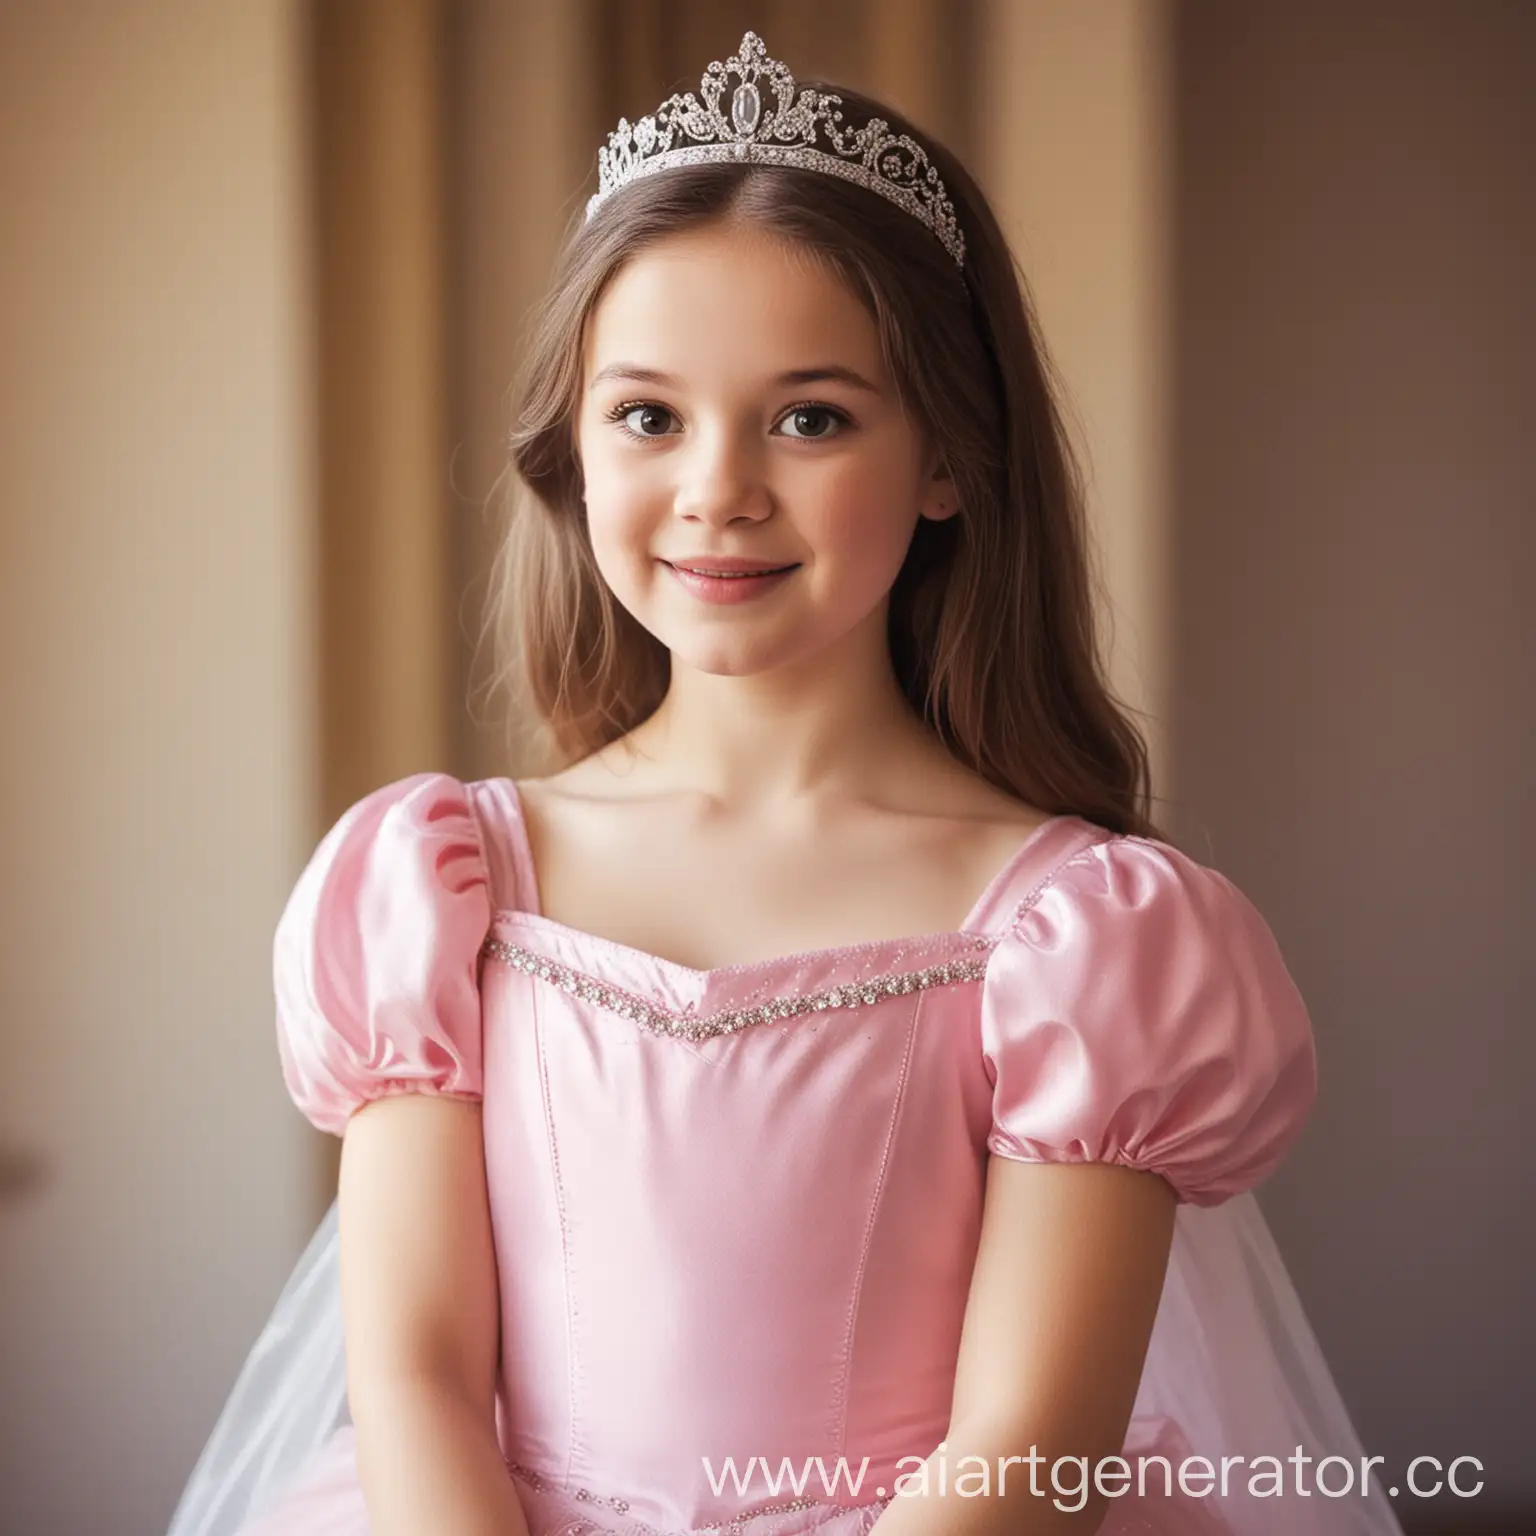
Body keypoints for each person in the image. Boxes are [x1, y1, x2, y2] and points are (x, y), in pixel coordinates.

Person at [167, 32, 1402, 1536]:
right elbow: (419, 1375)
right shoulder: (443, 891)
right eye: (647, 416)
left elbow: (1028, 1441)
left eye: (810, 416)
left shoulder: (1080, 941)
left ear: (948, 455)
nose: (717, 489)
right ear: (570, 448)